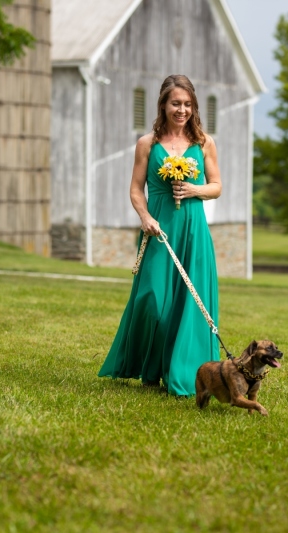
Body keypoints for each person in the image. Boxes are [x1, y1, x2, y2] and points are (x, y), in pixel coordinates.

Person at [98, 74, 222, 396]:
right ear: (163, 105)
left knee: (188, 305)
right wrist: (145, 217)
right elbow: (136, 189)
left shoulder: (204, 143)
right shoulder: (147, 144)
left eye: (187, 104)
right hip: (159, 229)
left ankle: (179, 373)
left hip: (193, 230)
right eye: (175, 103)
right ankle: (149, 367)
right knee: (151, 299)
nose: (181, 110)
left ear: (193, 107)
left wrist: (195, 189)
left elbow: (217, 186)